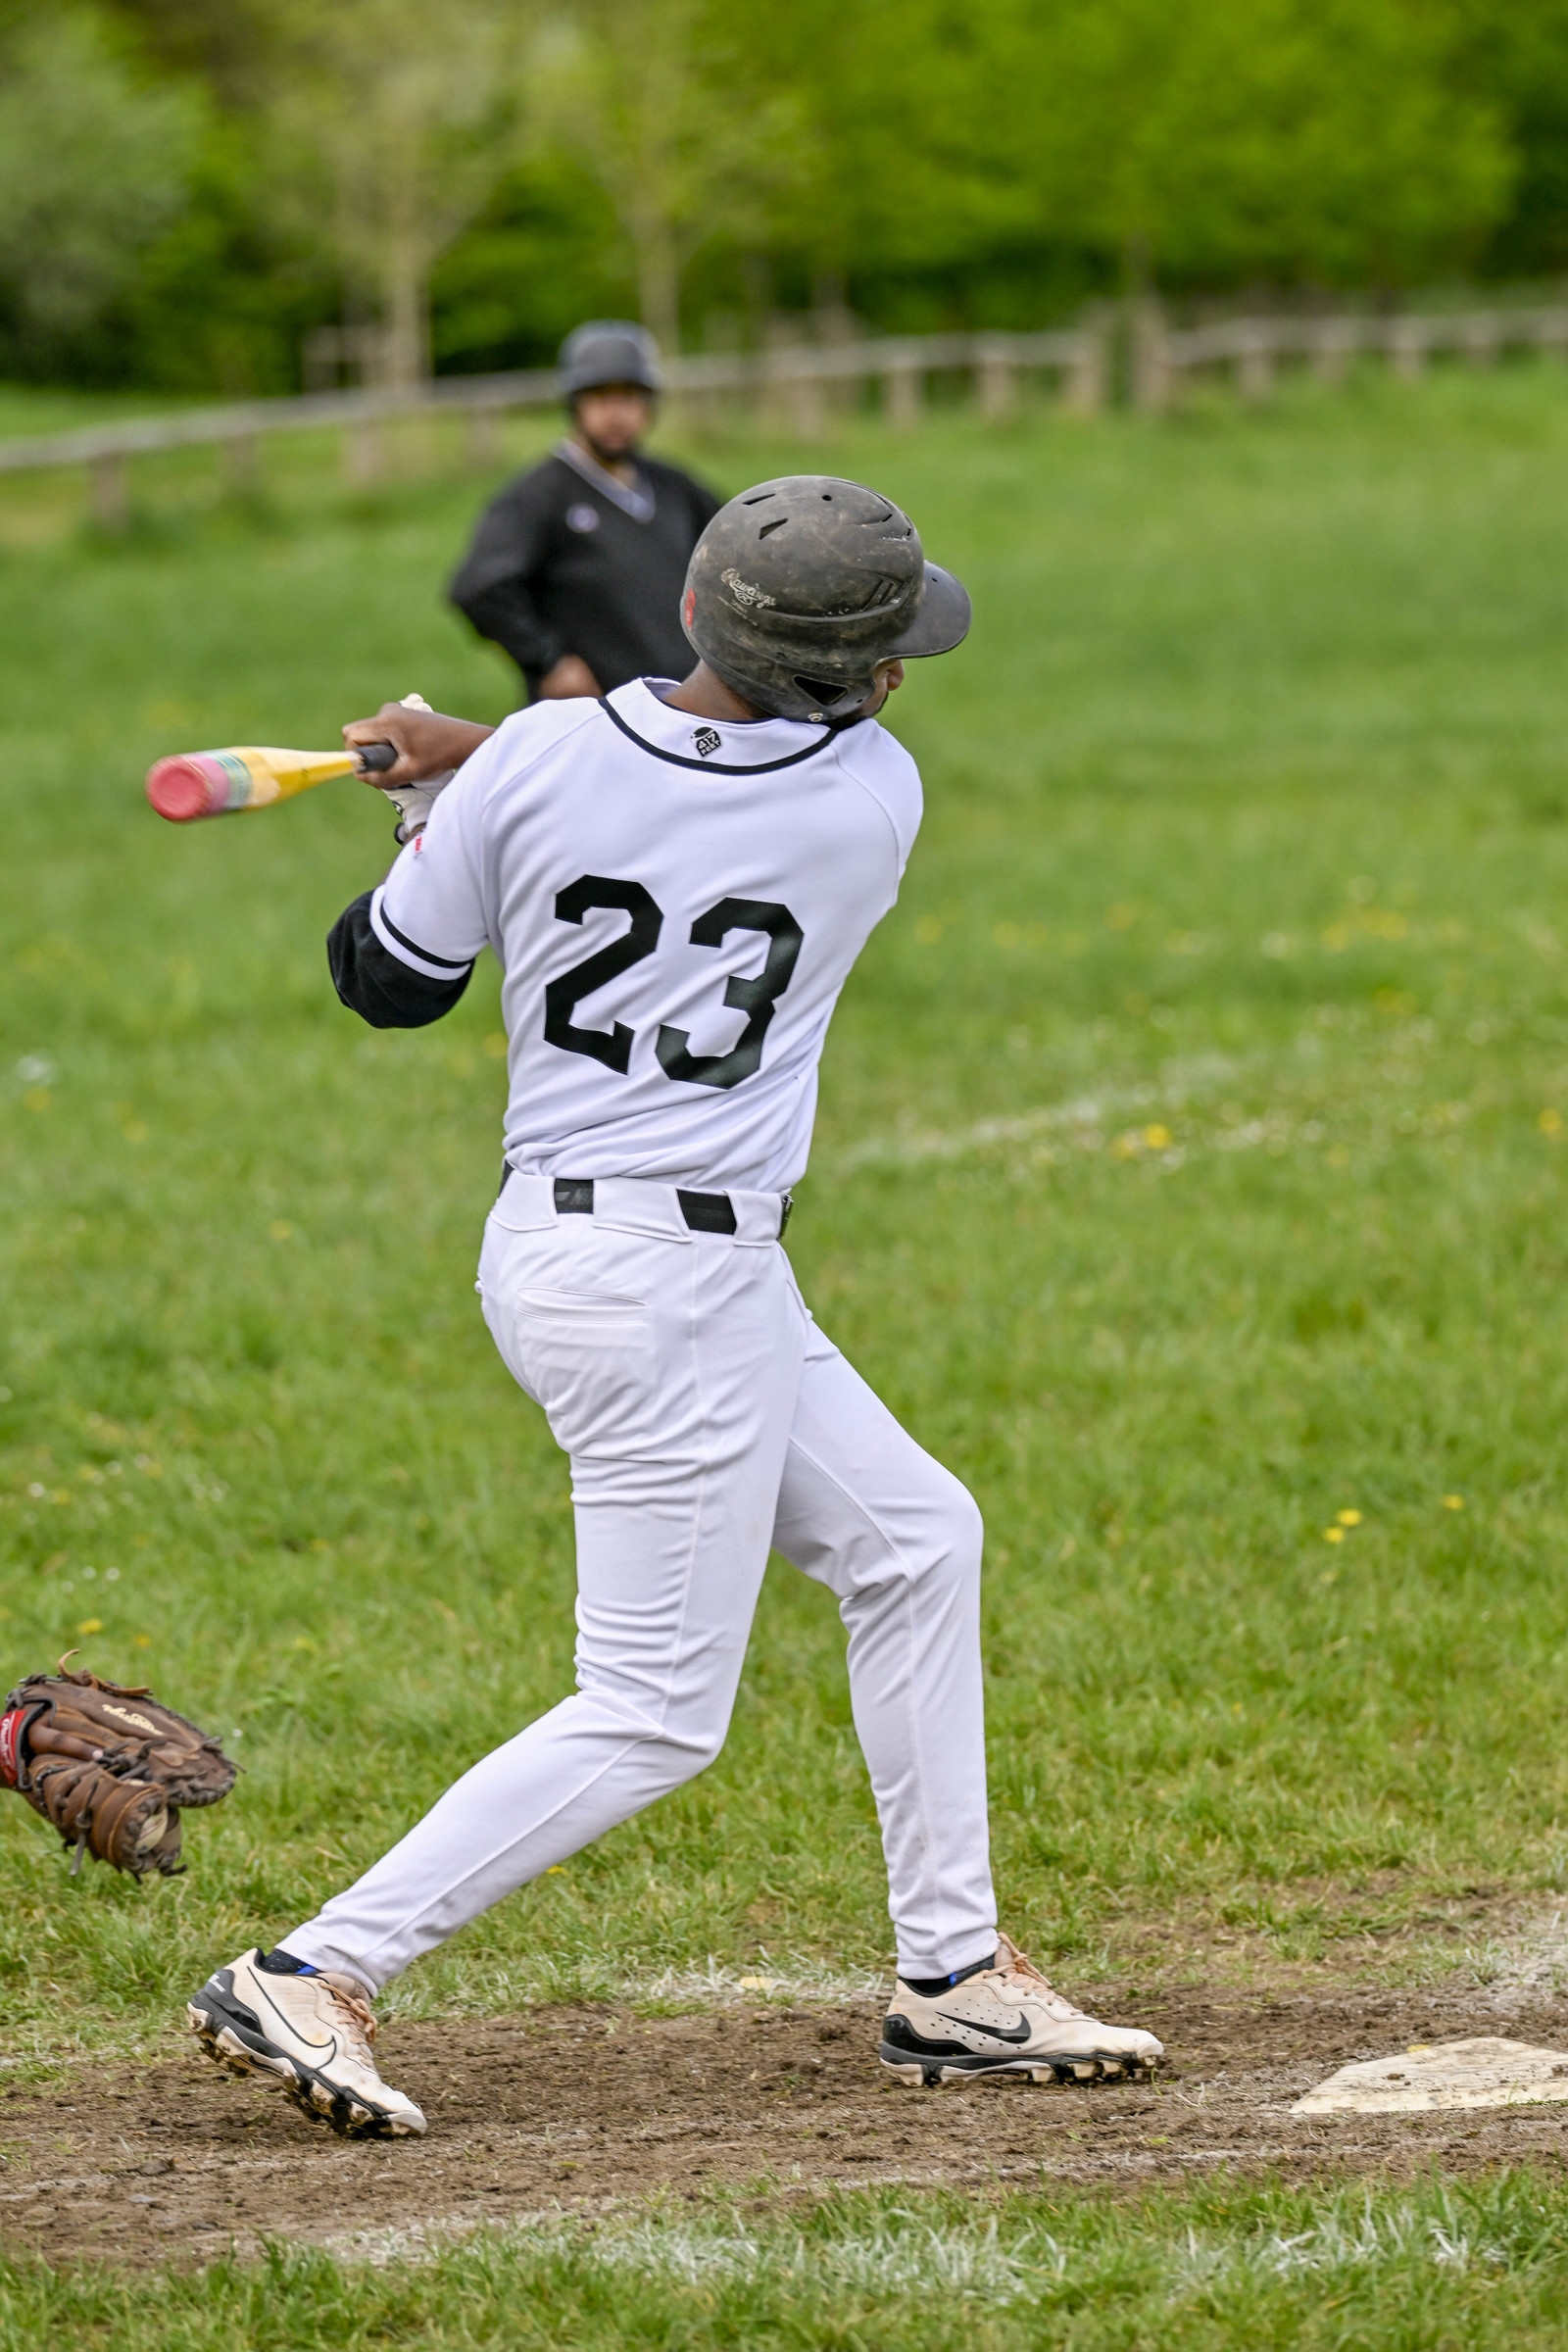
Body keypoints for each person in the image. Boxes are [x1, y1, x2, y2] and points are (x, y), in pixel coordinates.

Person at [185, 476, 1165, 2138]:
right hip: (678, 1293)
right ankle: (316, 1967)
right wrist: (490, 762)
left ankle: (955, 1978)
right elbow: (703, 790)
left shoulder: (554, 757)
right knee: (649, 1707)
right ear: (865, 680)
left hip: (580, 1257)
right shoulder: (873, 799)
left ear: (695, 612)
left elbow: (388, 983)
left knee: (919, 1539)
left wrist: (447, 802)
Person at [449, 319, 719, 705]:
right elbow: (479, 586)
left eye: (629, 397)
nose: (616, 413)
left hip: (684, 708)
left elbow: (733, 556)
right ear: (575, 403)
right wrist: (550, 661)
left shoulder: (676, 487)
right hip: (595, 718)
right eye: (599, 396)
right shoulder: (539, 496)